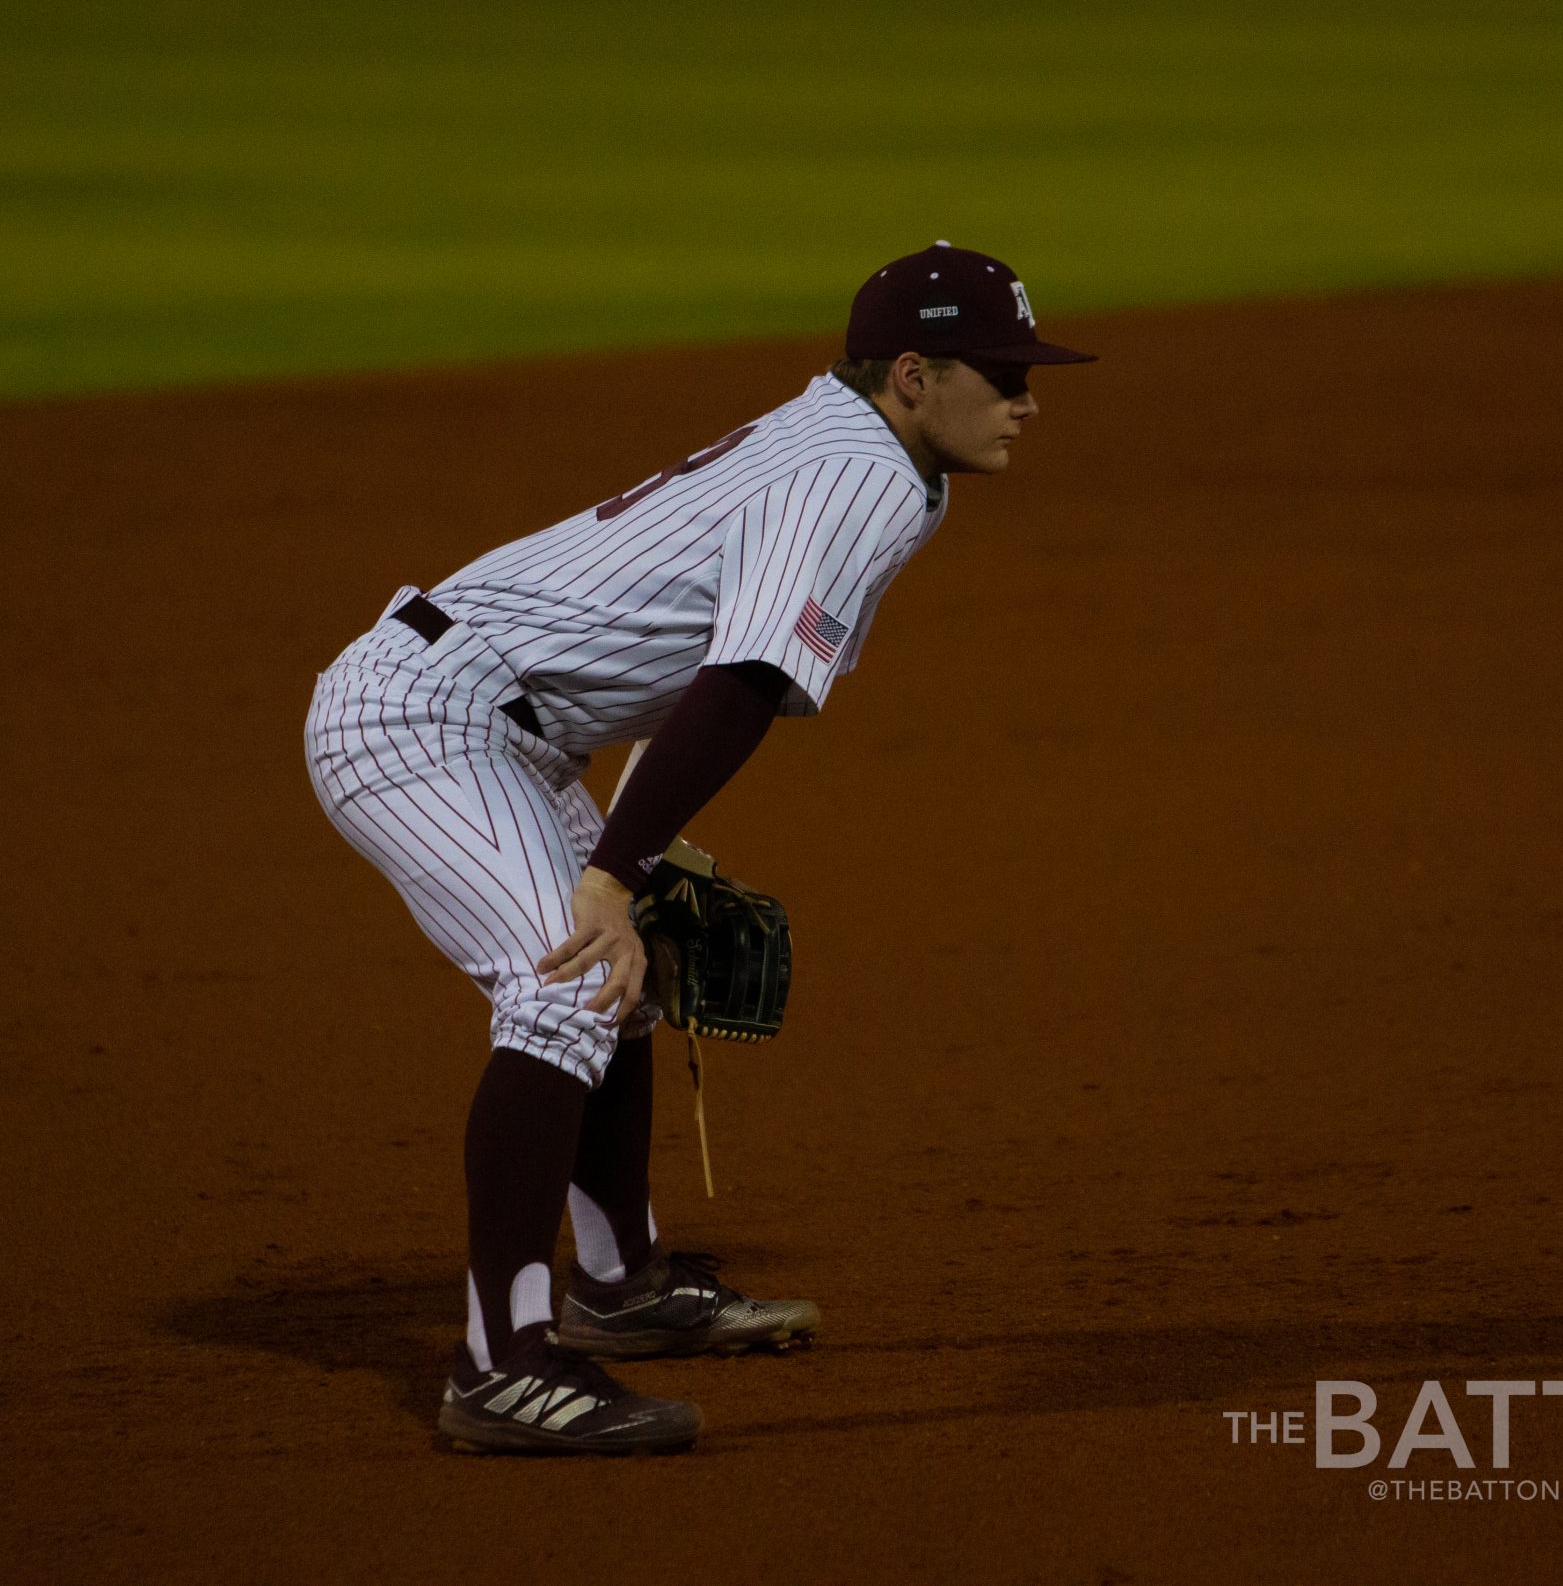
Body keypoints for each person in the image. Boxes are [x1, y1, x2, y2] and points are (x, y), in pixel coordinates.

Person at [303, 242, 1095, 1453]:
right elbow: (735, 684)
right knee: (566, 975)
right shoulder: (862, 479)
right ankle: (499, 1365)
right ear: (914, 375)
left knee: (629, 971)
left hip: (492, 718)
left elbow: (700, 663)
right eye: (1001, 372)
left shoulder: (870, 450)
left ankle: (619, 1289)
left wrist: (632, 864)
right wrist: (612, 877)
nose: (1028, 396)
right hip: (421, 719)